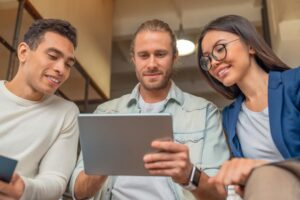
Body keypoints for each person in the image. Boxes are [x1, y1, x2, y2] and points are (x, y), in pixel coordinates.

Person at [70, 19, 230, 200]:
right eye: (144, 55)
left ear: (175, 57)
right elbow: (77, 192)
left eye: (160, 54)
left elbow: (220, 195)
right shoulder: (105, 113)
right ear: (133, 59)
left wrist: (189, 173)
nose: (152, 64)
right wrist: (105, 164)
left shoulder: (205, 112)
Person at [197, 14, 300, 199]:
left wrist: (266, 169)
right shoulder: (229, 117)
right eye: (207, 60)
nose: (213, 63)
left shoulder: (296, 83)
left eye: (219, 49)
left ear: (250, 45)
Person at [0, 19, 79, 199]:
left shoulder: (66, 113)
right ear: (23, 52)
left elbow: (55, 181)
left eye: (68, 64)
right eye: (52, 56)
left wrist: (22, 189)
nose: (61, 69)